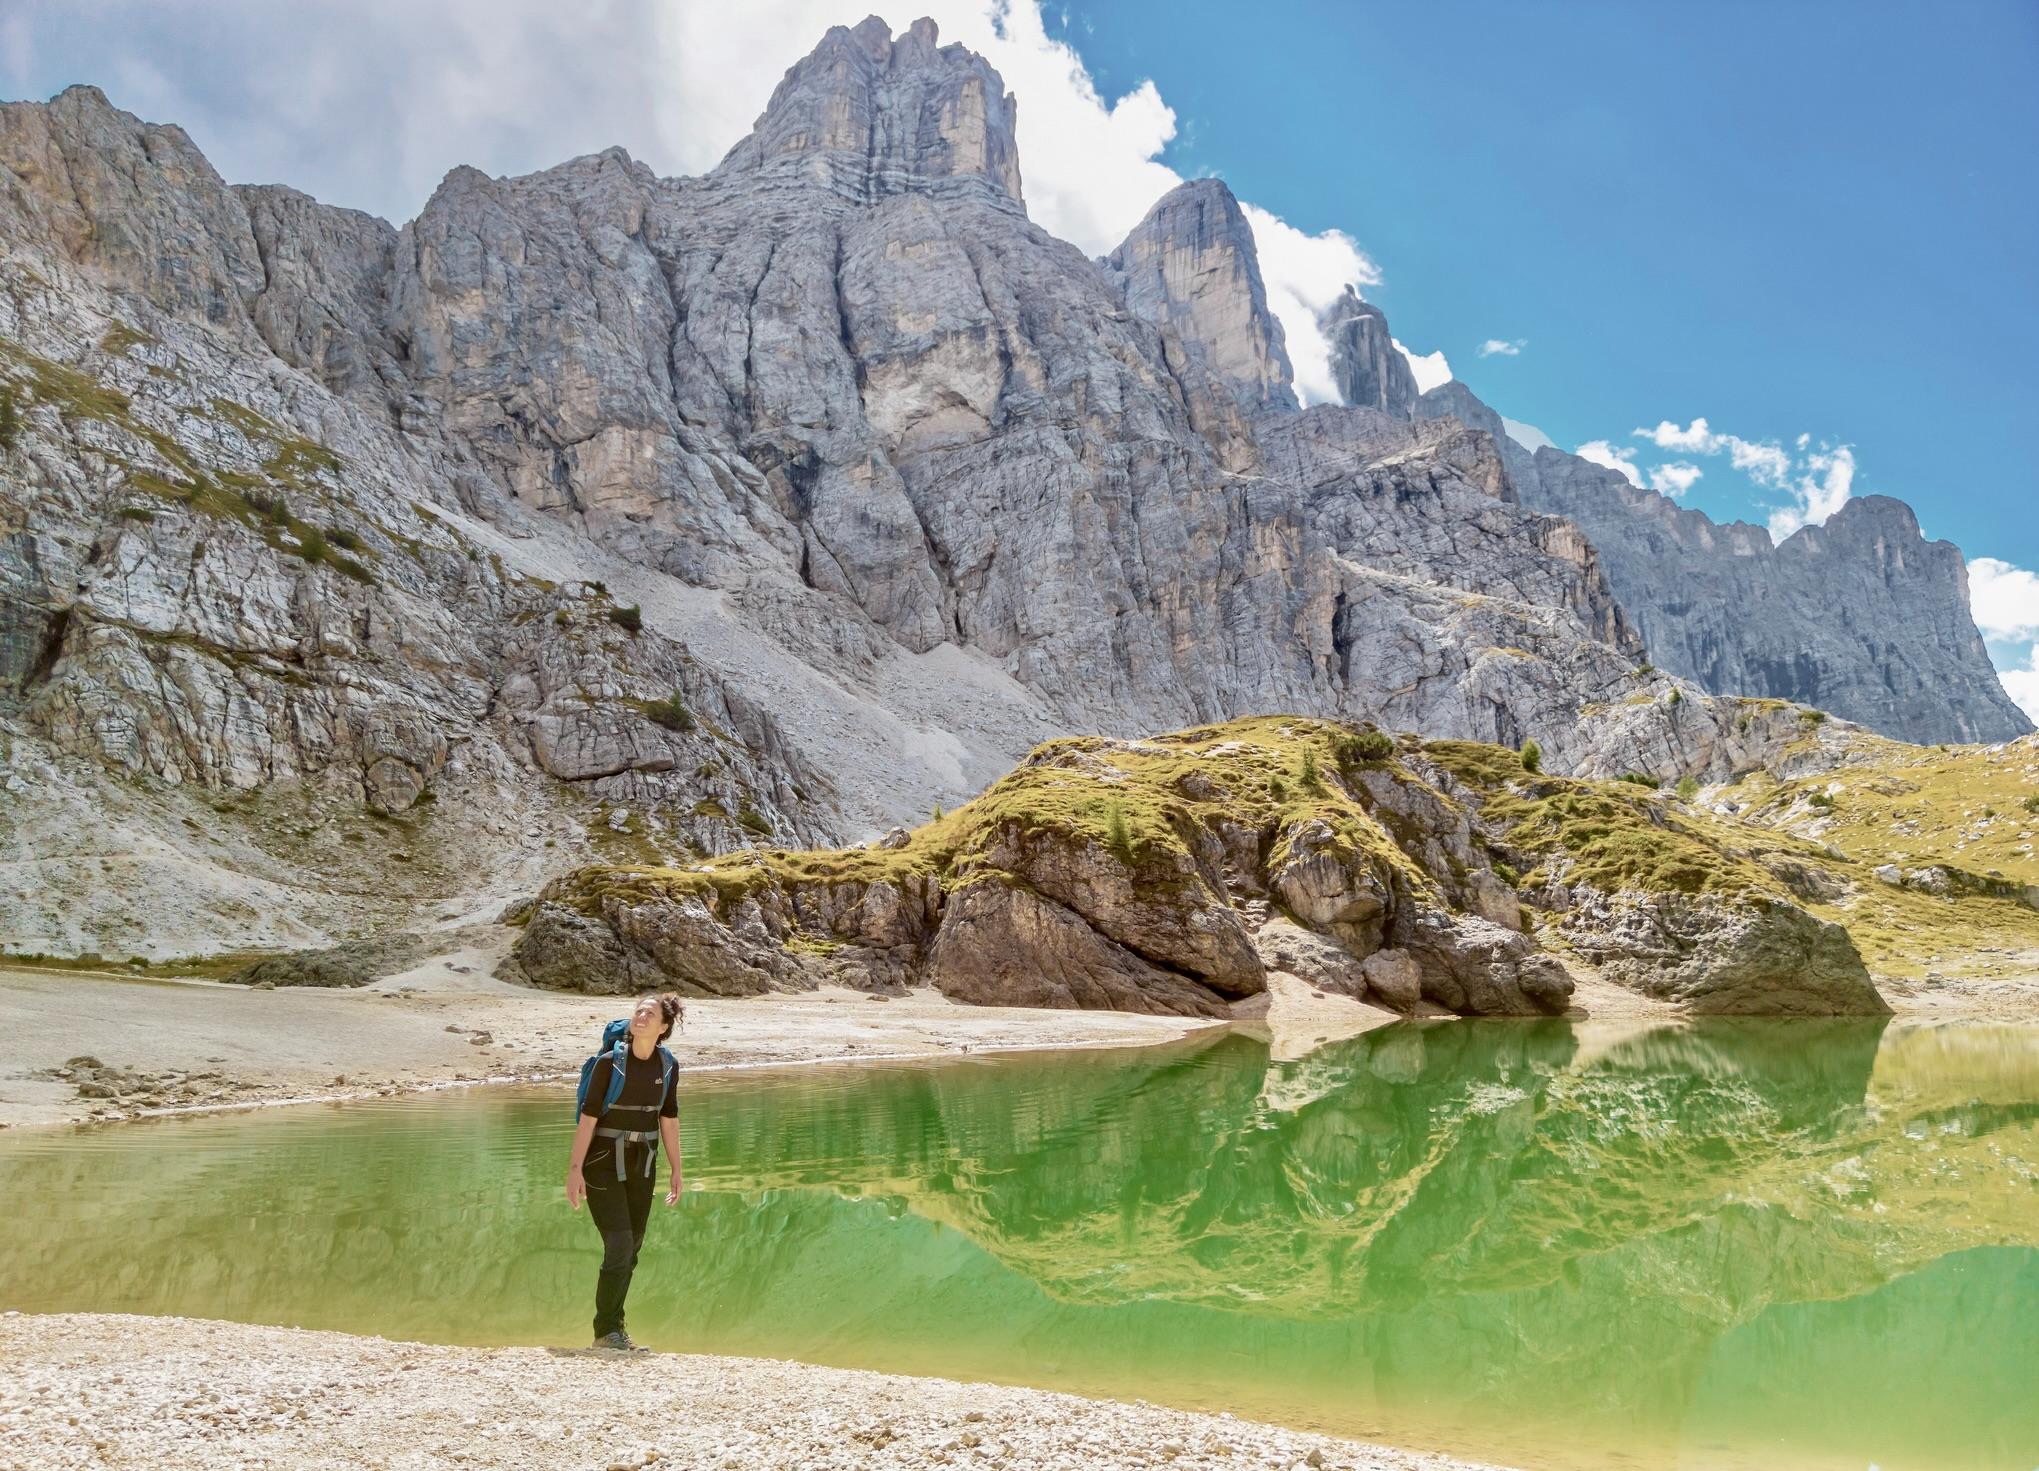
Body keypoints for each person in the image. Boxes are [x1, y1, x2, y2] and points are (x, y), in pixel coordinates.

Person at [566, 992, 684, 1351]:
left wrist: (677, 1169)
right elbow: (588, 1119)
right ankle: (606, 1331)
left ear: (664, 1027)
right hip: (601, 1161)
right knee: (618, 1243)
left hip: (642, 1162)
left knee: (631, 1247)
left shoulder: (668, 1066)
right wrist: (574, 1170)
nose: (641, 1017)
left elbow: (669, 1118)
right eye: (638, 1012)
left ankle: (616, 1328)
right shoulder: (608, 1063)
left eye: (650, 1014)